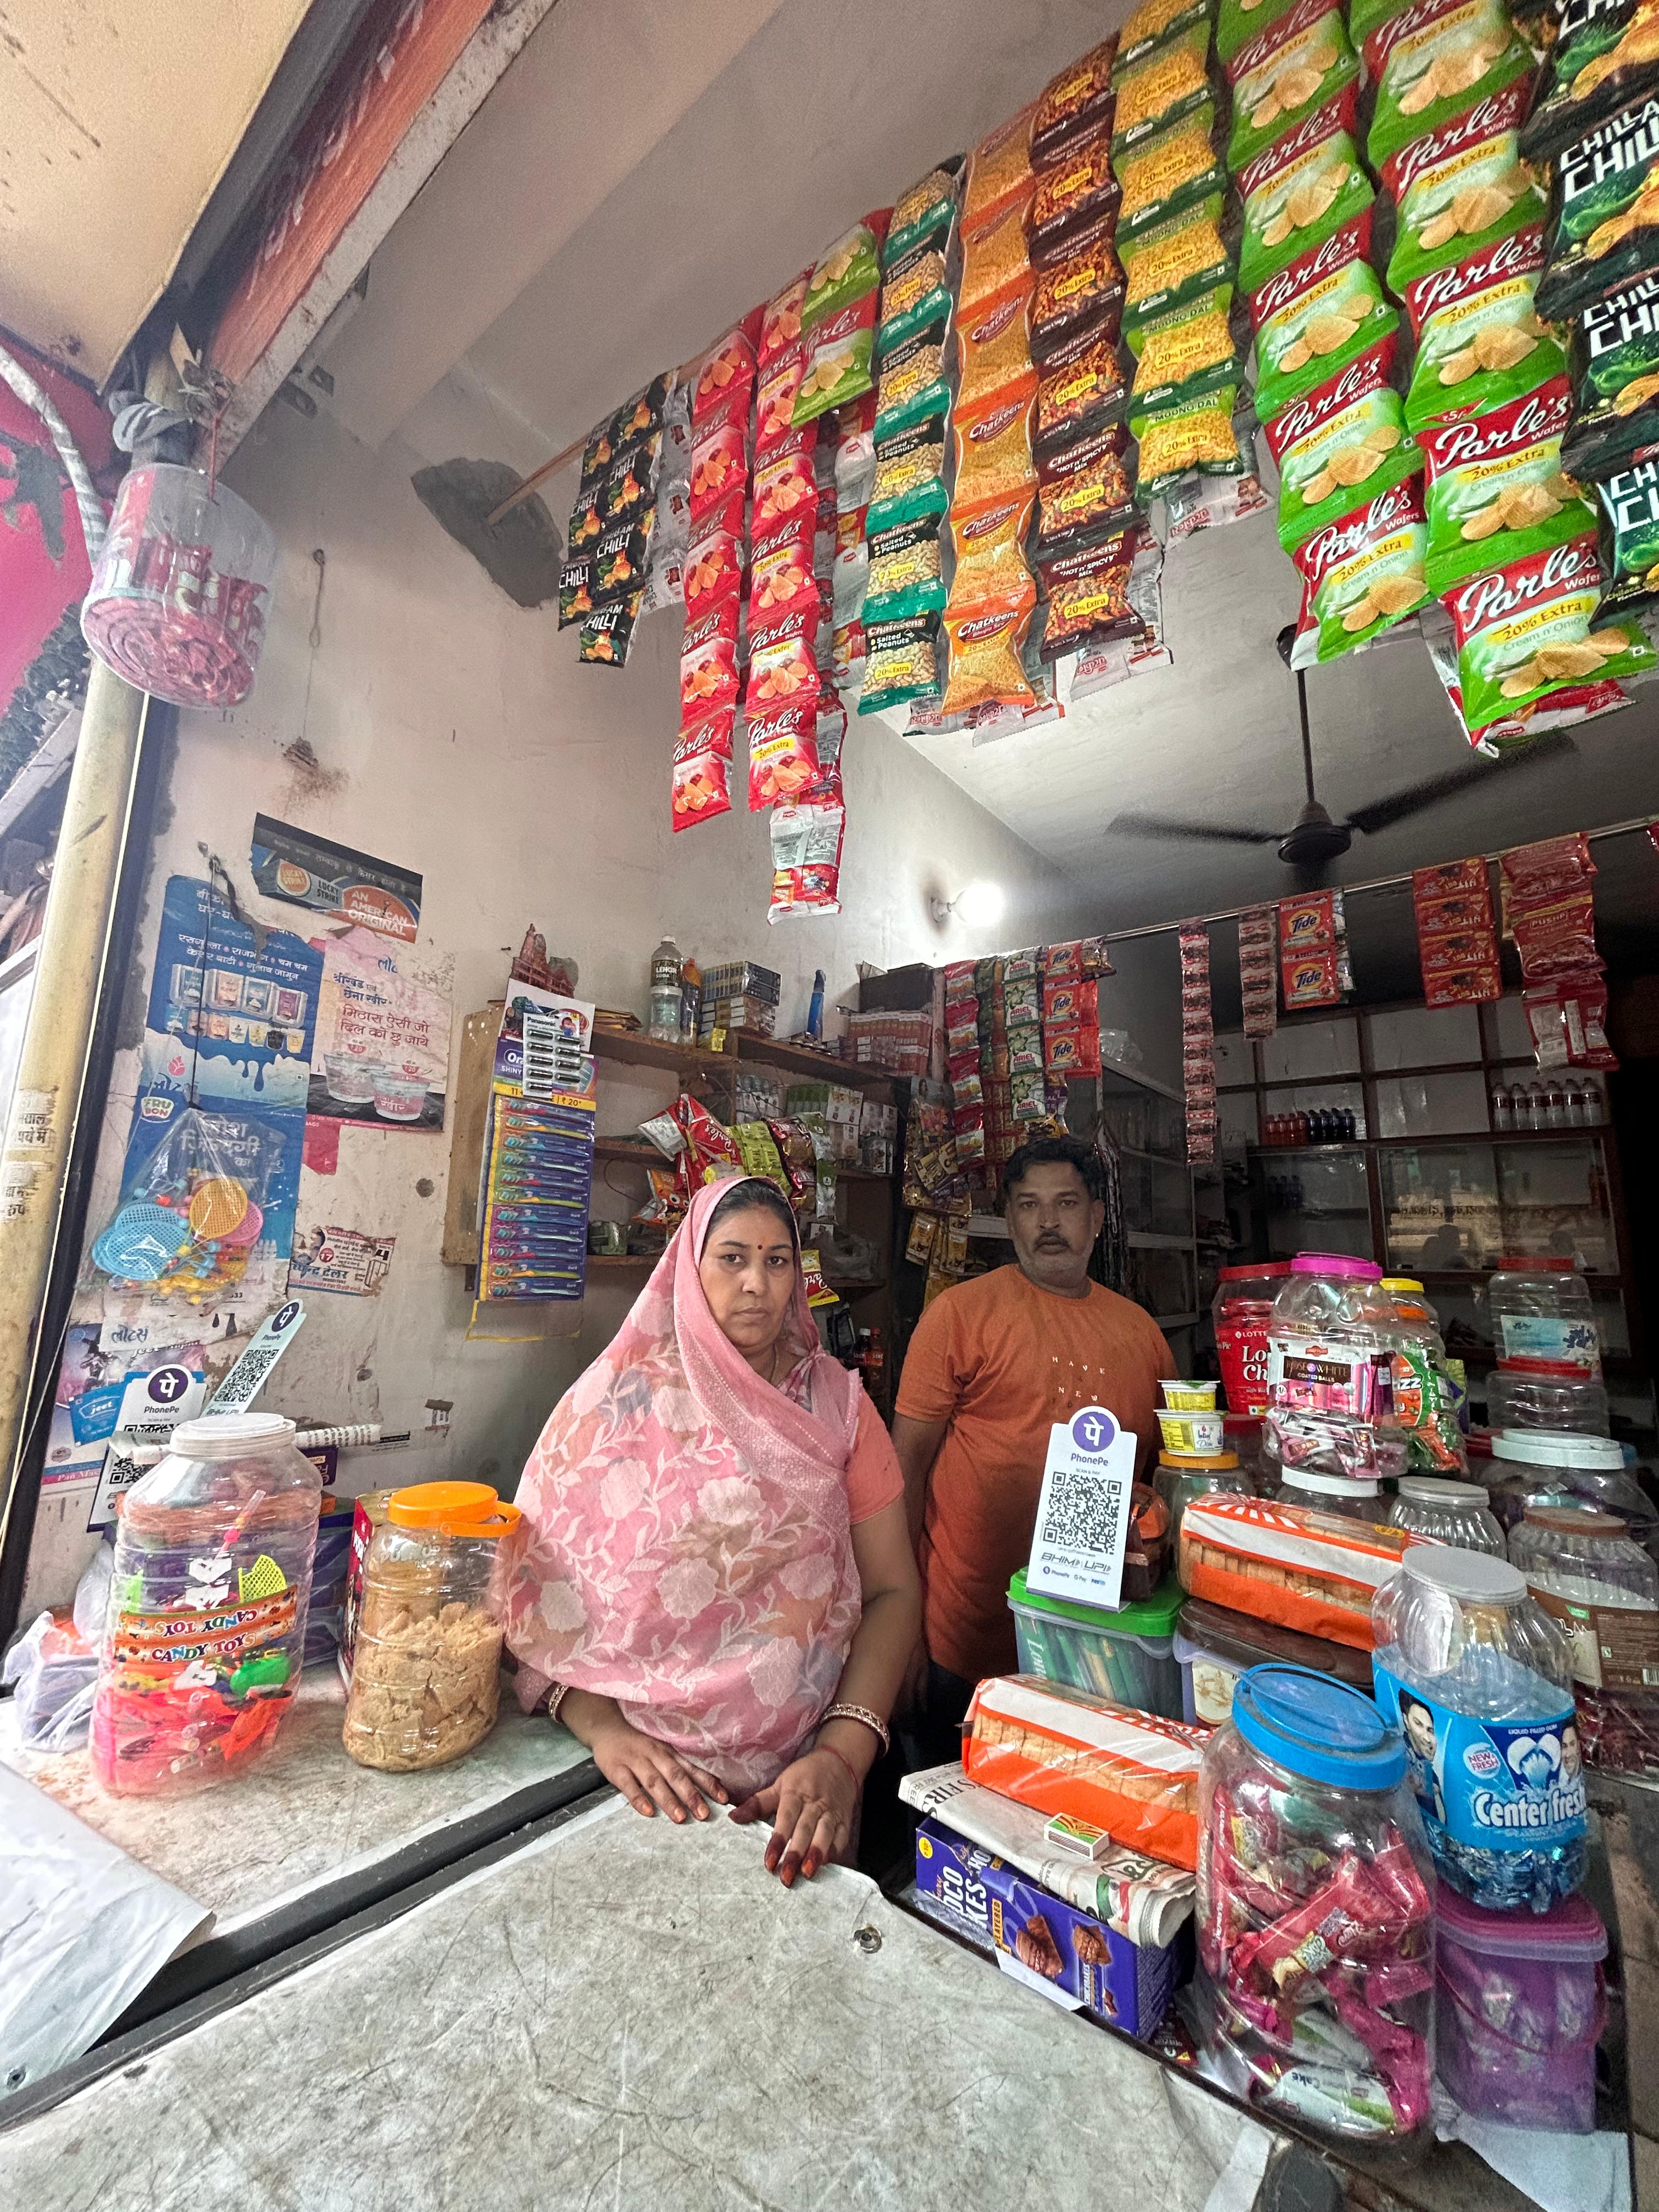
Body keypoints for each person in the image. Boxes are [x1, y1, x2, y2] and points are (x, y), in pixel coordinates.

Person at [501, 1176, 920, 1888]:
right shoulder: (616, 1404)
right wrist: (604, 1731)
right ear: (689, 1272)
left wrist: (841, 1756)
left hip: (798, 1796)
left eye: (778, 1260)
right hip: (634, 1785)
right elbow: (534, 1602)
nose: (757, 1283)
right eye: (732, 1258)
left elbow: (893, 1591)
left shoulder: (838, 1409)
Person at [891, 1133, 1173, 1765]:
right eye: (1028, 1205)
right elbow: (902, 1468)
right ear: (1010, 1220)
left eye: (1066, 1204)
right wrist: (898, 1627)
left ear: (1096, 1218)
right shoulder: (958, 1315)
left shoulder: (1142, 1334)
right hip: (963, 1644)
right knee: (948, 1811)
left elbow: (1160, 1490)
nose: (1048, 1222)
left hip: (1098, 1648)